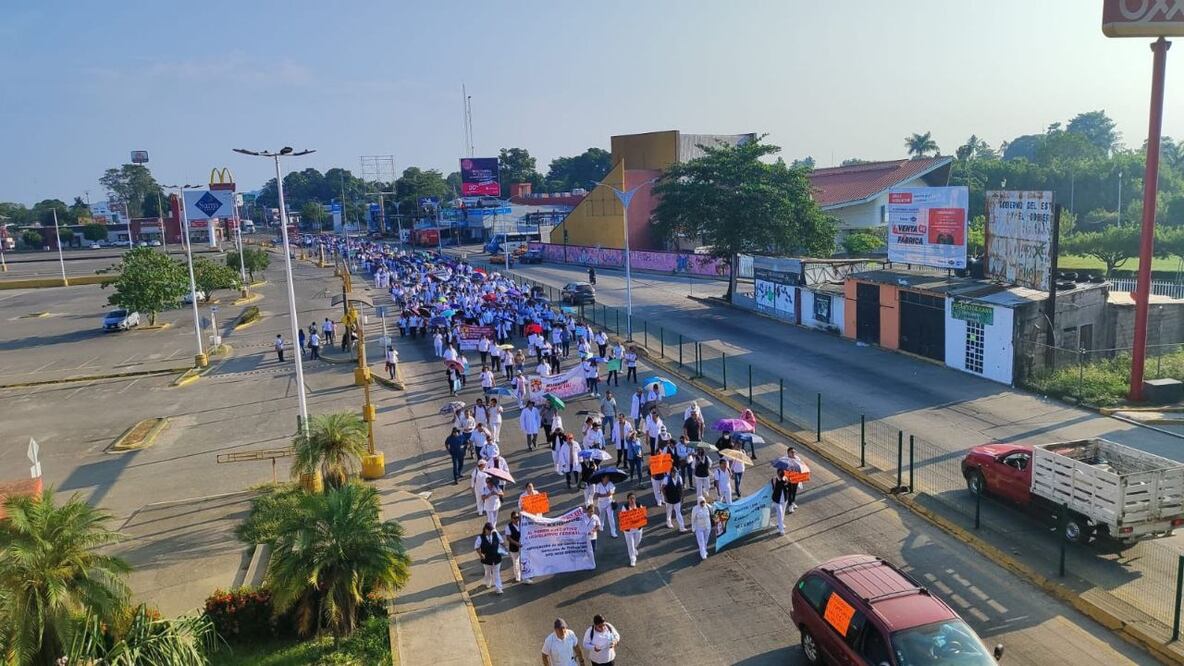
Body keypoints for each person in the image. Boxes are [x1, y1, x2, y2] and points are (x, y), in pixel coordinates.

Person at [474, 522, 504, 595]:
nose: (491, 532)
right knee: (488, 572)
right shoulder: (480, 538)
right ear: (485, 530)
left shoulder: (495, 534)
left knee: (496, 573)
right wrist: (481, 555)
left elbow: (502, 542)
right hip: (487, 559)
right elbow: (477, 547)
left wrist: (503, 548)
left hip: (496, 557)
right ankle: (488, 582)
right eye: (489, 530)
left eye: (492, 530)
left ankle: (498, 588)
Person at [620, 494, 643, 567]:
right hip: (629, 530)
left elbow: (642, 515)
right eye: (630, 499)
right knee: (630, 545)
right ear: (628, 500)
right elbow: (623, 518)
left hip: (638, 528)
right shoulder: (625, 507)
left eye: (633, 498)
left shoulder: (639, 505)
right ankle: (633, 559)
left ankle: (634, 548)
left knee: (637, 541)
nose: (632, 500)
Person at [506, 511, 529, 584]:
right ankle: (518, 577)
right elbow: (508, 538)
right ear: (511, 518)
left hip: (523, 547)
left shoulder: (522, 524)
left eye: (517, 517)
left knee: (524, 562)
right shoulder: (508, 527)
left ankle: (525, 576)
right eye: (515, 518)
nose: (516, 519)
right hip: (514, 547)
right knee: (516, 562)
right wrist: (516, 543)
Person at [690, 495, 713, 560]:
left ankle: (704, 551)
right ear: (698, 502)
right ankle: (703, 554)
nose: (702, 504)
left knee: (705, 541)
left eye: (703, 502)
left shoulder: (708, 507)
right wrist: (693, 528)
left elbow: (715, 509)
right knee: (701, 541)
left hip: (708, 527)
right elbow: (693, 519)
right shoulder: (695, 509)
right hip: (699, 528)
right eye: (701, 502)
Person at [772, 470, 792, 536]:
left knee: (782, 512)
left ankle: (780, 523)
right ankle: (781, 530)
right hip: (777, 500)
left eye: (782, 473)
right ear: (777, 473)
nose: (781, 475)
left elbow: (788, 488)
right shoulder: (774, 479)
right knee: (780, 513)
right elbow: (775, 487)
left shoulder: (785, 478)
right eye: (780, 473)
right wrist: (783, 482)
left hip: (784, 499)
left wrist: (788, 482)